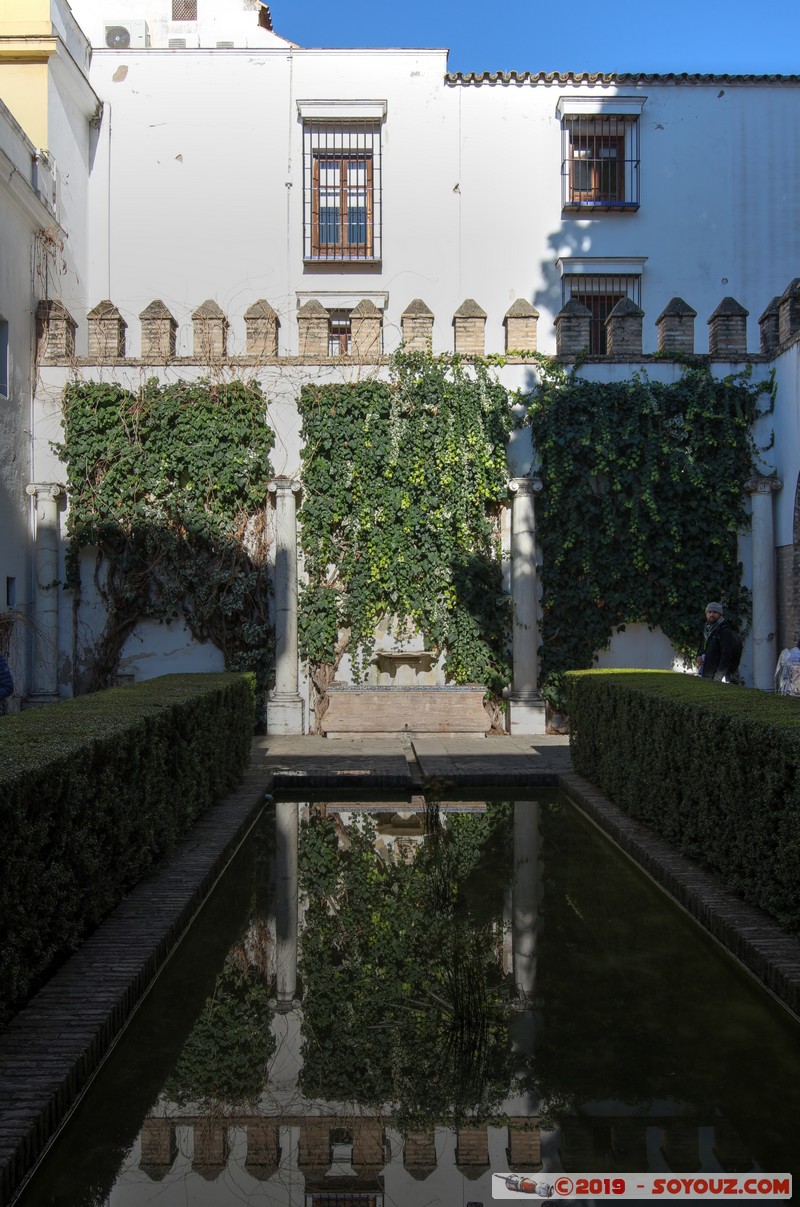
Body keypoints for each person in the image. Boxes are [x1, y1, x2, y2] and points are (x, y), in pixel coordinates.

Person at [696, 601, 740, 682]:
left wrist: (718, 677)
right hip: (706, 674)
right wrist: (698, 657)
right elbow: (702, 648)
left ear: (720, 615)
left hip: (718, 678)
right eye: (709, 612)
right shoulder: (706, 631)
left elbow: (726, 656)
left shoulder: (725, 631)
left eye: (715, 612)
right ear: (706, 614)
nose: (711, 615)